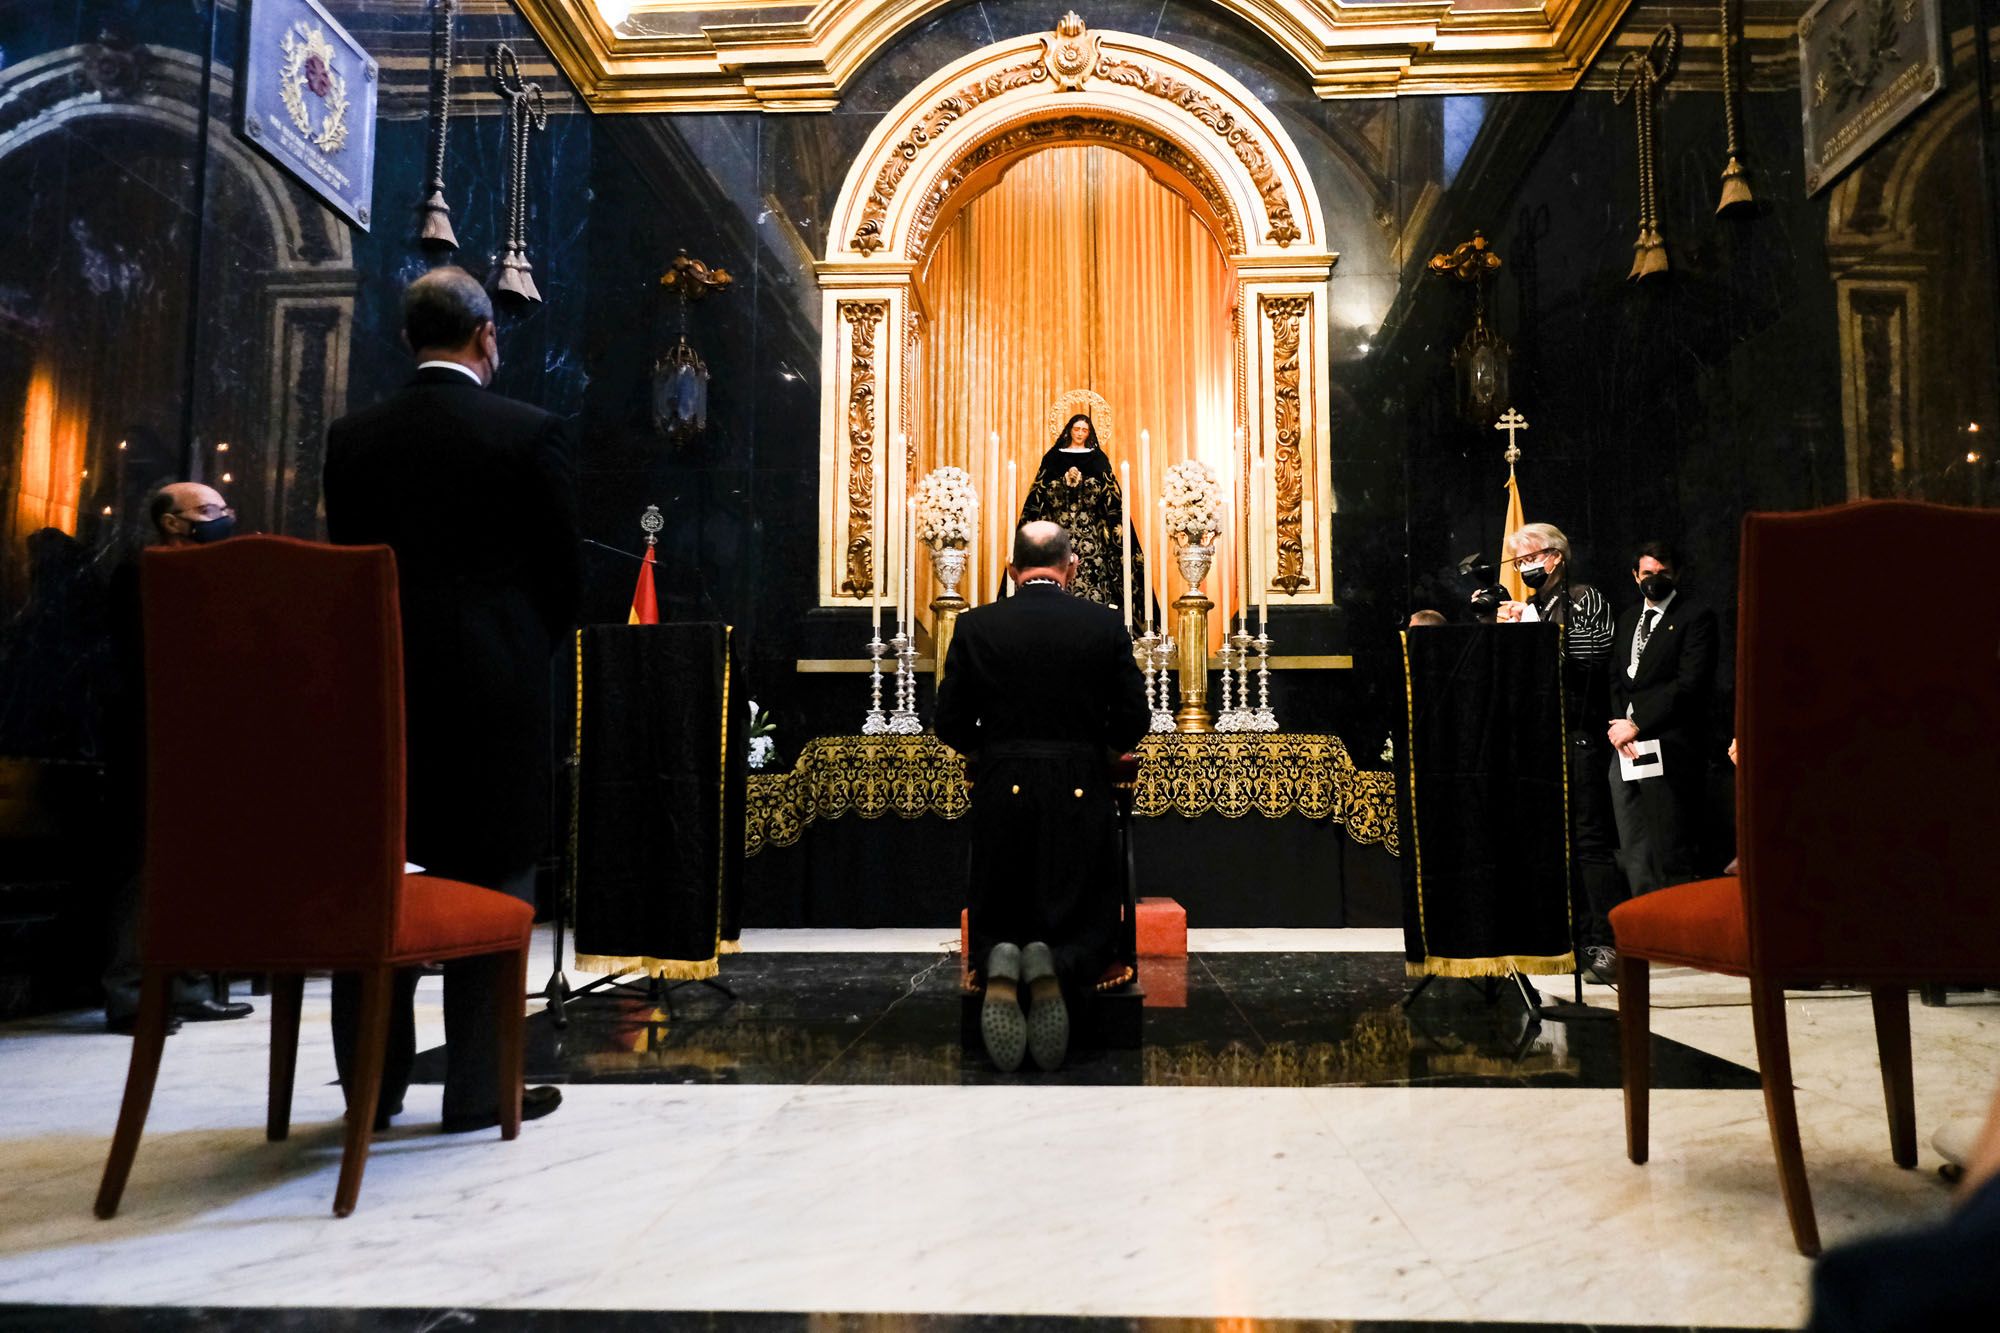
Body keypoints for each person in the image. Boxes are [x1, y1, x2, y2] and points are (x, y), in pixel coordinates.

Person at [322, 266, 578, 1133]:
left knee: (375, 882)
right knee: (497, 880)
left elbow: (347, 567)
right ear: (486, 337)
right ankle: (476, 1087)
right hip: (494, 695)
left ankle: (373, 1088)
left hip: (381, 697)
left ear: (405, 340)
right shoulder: (526, 433)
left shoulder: (350, 438)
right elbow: (563, 577)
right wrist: (513, 652)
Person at [935, 520, 1150, 1072]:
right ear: (1070, 567)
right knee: (1079, 897)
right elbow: (1134, 718)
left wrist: (990, 753)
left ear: (1011, 570)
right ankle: (1062, 963)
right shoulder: (1102, 625)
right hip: (1079, 781)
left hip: (1002, 780)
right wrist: (1097, 752)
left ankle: (1001, 954)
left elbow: (949, 720)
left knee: (1003, 889)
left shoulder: (976, 626)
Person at [99, 483, 255, 1034]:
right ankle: (133, 994)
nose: (223, 520)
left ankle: (188, 986)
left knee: (199, 864)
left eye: (225, 511)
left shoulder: (217, 575)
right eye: (210, 512)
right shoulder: (143, 573)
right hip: (153, 735)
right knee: (145, 866)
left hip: (209, 738)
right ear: (171, 522)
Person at [1495, 521, 1621, 983]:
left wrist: (1537, 632)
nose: (1525, 567)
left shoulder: (1584, 599)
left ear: (1555, 557)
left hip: (1580, 735)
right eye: (1519, 560)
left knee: (1589, 841)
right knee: (1553, 841)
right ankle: (1563, 937)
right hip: (1541, 737)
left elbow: (1593, 656)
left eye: (1530, 558)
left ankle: (1604, 944)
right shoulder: (1534, 605)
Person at [1606, 540, 1718, 900]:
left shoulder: (1695, 616)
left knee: (1671, 846)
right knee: (1635, 847)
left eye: (1663, 573)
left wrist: (1639, 725)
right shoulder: (1626, 619)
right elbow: (1617, 679)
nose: (1655, 580)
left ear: (1677, 574)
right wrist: (1620, 727)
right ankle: (1646, 929)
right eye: (1648, 573)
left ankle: (1681, 938)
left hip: (1670, 744)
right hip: (1625, 746)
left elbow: (1689, 684)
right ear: (1635, 576)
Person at [1017, 414, 1145, 618]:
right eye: (1076, 429)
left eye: (1084, 430)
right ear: (1069, 430)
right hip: (1058, 534)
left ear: (1089, 433)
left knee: (1094, 575)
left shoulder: (1097, 459)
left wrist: (1084, 483)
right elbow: (1039, 496)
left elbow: (1109, 498)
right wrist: (1062, 483)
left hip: (1091, 535)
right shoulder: (1053, 458)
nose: (1079, 433)